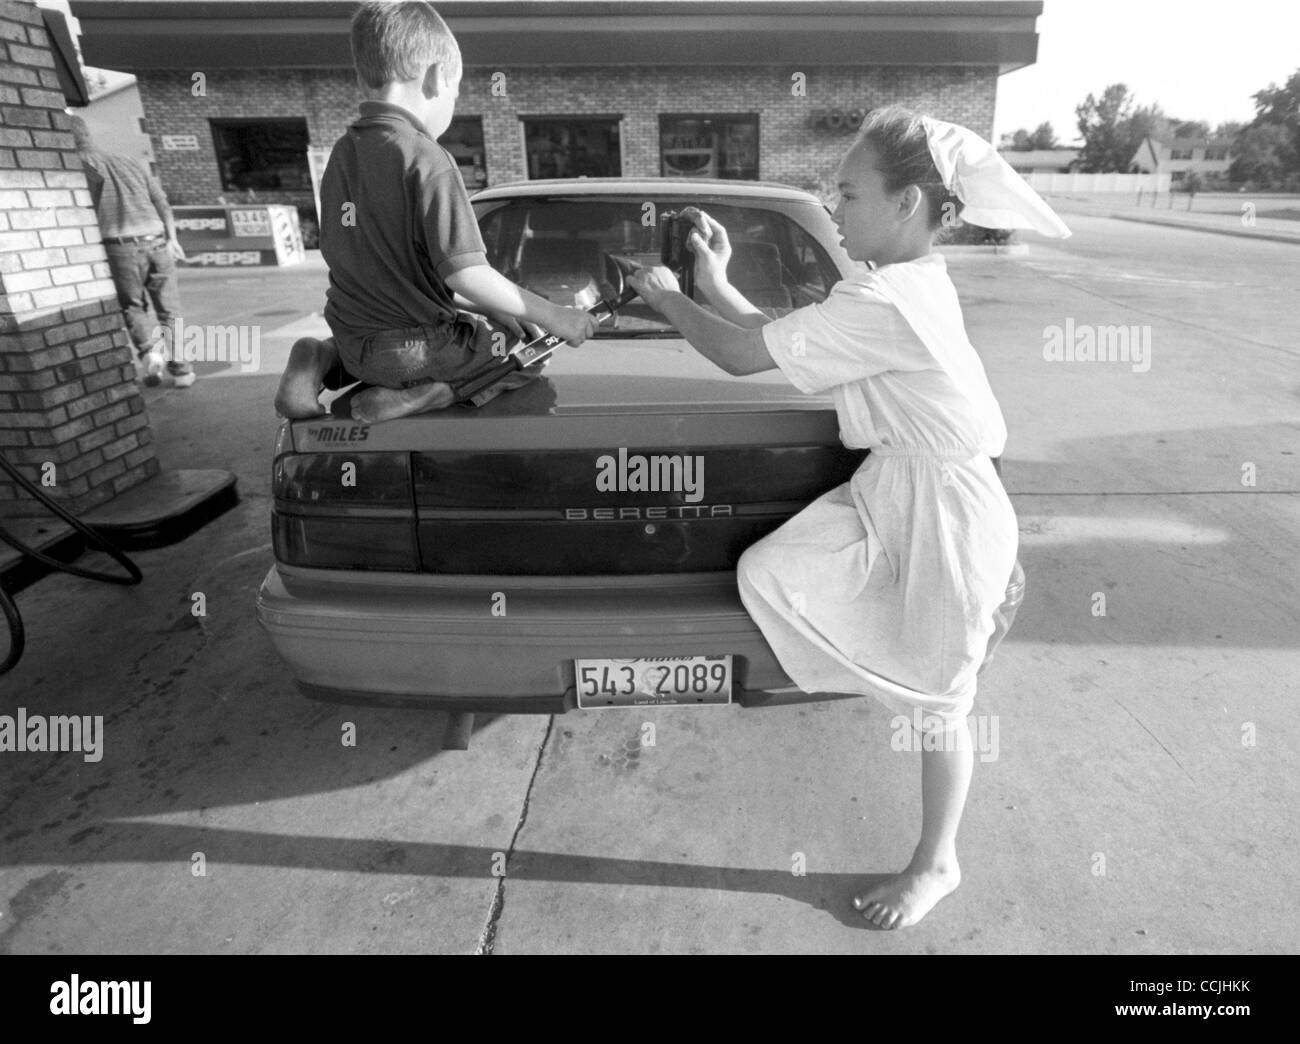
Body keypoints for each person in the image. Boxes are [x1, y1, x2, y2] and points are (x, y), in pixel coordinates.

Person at [627, 106, 1069, 930]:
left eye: (849, 193)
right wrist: (715, 279)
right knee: (773, 573)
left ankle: (939, 861)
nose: (835, 208)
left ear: (907, 204)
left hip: (946, 512)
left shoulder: (891, 298)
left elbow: (738, 355)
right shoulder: (890, 288)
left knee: (944, 699)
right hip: (897, 489)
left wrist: (663, 296)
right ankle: (910, 681)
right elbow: (784, 336)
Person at [274, 1, 596, 422]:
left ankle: (314, 358)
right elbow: (466, 274)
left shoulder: (343, 153)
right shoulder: (428, 158)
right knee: (522, 353)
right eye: (456, 91)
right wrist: (557, 316)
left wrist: (490, 306)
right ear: (435, 77)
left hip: (353, 344)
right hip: (415, 355)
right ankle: (429, 394)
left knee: (392, 349)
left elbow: (400, 275)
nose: (454, 103)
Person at [70, 116, 195, 388]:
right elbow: (162, 203)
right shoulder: (129, 162)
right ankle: (182, 370)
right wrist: (172, 239)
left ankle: (150, 353)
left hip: (119, 247)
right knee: (170, 311)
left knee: (133, 307)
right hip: (157, 242)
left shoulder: (79, 167)